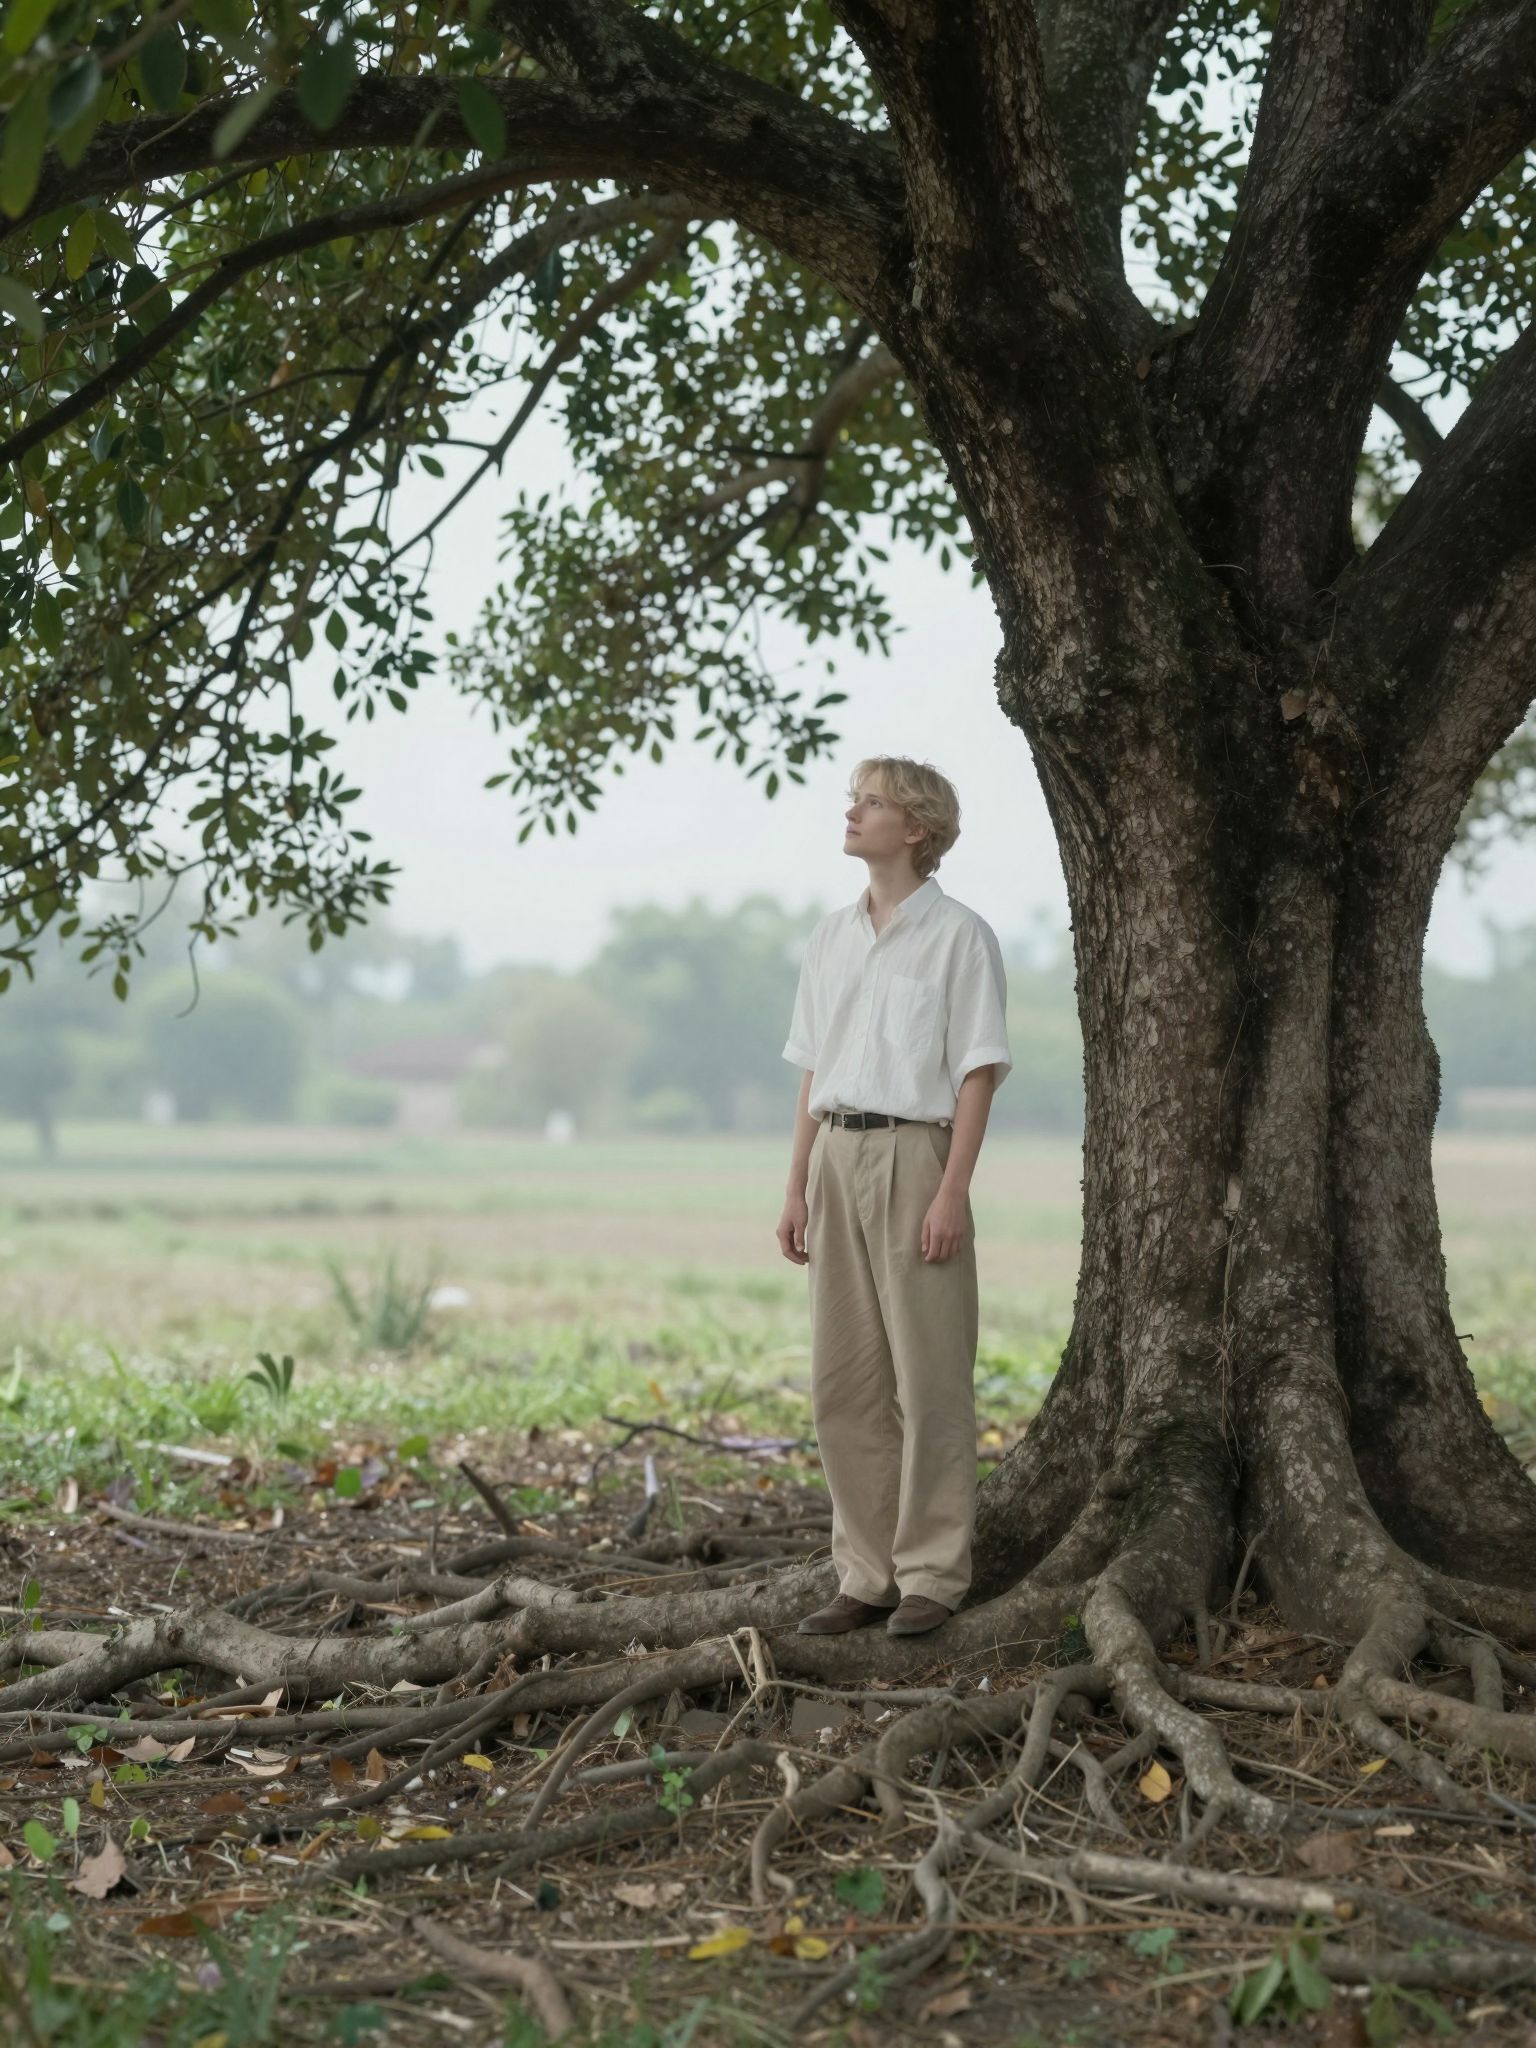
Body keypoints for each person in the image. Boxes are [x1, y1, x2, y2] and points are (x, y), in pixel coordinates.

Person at [777, 756, 1012, 1637]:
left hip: (919, 1158)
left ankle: (933, 1575)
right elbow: (811, 1069)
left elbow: (978, 1069)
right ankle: (864, 1573)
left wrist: (954, 1190)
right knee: (844, 1381)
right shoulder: (830, 937)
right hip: (836, 1153)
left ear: (914, 828)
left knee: (930, 1376)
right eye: (855, 800)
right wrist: (796, 1183)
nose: (852, 811)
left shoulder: (960, 936)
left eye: (869, 803)